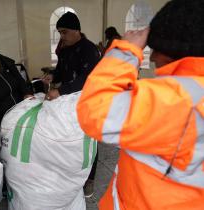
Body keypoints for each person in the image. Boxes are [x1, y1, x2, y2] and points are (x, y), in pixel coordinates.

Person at [77, 0, 204, 209]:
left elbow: (95, 110)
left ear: (176, 51)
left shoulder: (180, 99)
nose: (151, 57)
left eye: (156, 49)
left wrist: (126, 50)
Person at [42, 11, 100, 198]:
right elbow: (60, 71)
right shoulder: (65, 48)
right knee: (71, 136)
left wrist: (59, 91)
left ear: (76, 30)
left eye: (64, 32)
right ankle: (73, 172)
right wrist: (53, 76)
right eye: (59, 32)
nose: (62, 36)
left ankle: (89, 178)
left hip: (88, 100)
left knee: (89, 139)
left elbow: (87, 79)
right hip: (68, 102)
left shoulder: (90, 50)